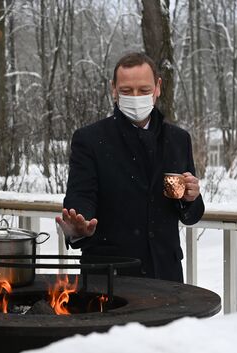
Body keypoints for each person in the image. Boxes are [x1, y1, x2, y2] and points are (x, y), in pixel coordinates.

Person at [55, 52, 204, 283]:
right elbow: (80, 197)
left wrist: (191, 198)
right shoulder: (90, 139)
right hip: (109, 280)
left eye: (144, 90)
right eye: (126, 91)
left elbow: (190, 215)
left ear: (158, 87)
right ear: (113, 89)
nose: (136, 97)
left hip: (166, 276)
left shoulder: (178, 139)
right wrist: (79, 226)